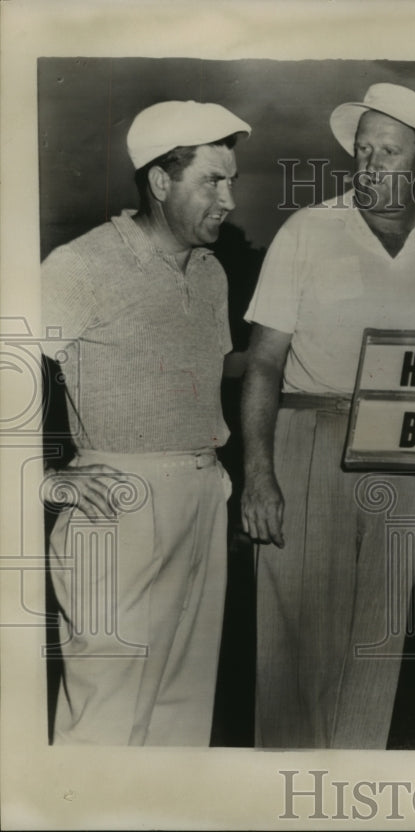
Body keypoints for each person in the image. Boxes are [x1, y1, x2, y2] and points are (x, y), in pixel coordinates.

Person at [240, 83, 415, 749]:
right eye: (363, 149)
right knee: (294, 652)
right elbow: (263, 361)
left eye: (389, 151)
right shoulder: (307, 230)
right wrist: (259, 472)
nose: (371, 163)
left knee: (376, 647)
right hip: (309, 442)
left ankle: (352, 797)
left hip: (406, 459)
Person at [40, 100, 251, 745]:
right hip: (117, 504)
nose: (230, 200)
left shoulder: (212, 273)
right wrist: (42, 481)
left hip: (201, 495)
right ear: (161, 182)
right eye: (212, 180)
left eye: (231, 181)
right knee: (105, 721)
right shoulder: (80, 266)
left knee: (180, 717)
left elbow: (195, 377)